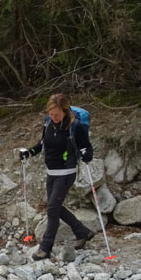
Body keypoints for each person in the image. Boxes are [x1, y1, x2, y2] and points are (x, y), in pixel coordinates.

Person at [19, 94, 95, 260]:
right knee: (56, 207)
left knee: (52, 209)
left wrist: (87, 154)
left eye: (57, 115)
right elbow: (42, 144)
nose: (54, 117)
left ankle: (45, 247)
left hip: (67, 173)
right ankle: (82, 232)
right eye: (51, 114)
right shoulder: (48, 123)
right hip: (51, 173)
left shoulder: (74, 126)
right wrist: (29, 152)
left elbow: (86, 146)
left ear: (65, 111)